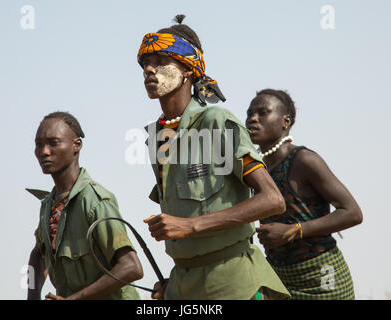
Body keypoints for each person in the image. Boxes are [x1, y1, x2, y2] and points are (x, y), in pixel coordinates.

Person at [138, 15, 290, 300]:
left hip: (232, 282)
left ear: (188, 69)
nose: (149, 69)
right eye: (145, 63)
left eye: (160, 62)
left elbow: (273, 200)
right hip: (182, 285)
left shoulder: (216, 122)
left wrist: (190, 226)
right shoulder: (157, 138)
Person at [246, 89, 363, 299]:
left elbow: (353, 212)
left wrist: (294, 230)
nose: (252, 119)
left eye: (263, 112)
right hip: (279, 278)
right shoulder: (256, 169)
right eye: (250, 113)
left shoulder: (303, 161)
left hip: (322, 276)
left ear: (285, 121)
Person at [27, 111, 142, 300]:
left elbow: (131, 267)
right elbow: (38, 254)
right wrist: (32, 296)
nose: (44, 151)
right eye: (38, 144)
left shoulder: (95, 201)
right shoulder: (49, 204)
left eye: (53, 143)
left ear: (76, 146)